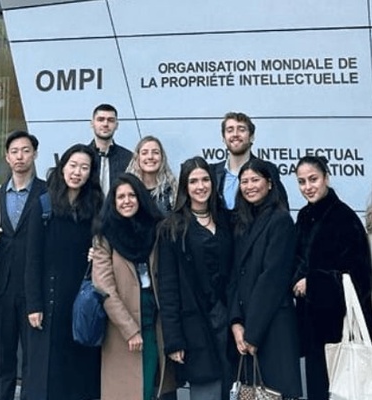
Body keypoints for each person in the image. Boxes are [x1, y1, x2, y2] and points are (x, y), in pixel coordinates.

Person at [25, 144, 103, 400]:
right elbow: (32, 258)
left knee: (80, 372)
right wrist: (34, 304)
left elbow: (104, 245)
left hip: (82, 302)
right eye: (73, 165)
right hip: (50, 301)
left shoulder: (96, 206)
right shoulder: (44, 205)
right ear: (62, 167)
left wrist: (97, 252)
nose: (77, 172)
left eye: (84, 167)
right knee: (49, 373)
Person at [292, 155, 372, 400]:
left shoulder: (344, 218)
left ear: (326, 178)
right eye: (302, 181)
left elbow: (360, 276)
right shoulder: (304, 216)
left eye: (313, 179)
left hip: (338, 328)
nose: (308, 187)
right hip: (313, 326)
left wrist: (313, 283)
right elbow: (298, 260)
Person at [92, 173, 175, 400]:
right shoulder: (104, 235)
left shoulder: (155, 230)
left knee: (152, 387)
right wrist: (130, 330)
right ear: (113, 202)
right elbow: (104, 288)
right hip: (122, 328)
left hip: (155, 322)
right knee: (129, 391)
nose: (127, 201)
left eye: (132, 195)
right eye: (121, 197)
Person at [158, 156, 233, 400]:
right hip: (195, 326)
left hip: (230, 323)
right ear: (185, 187)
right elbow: (168, 288)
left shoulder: (227, 221)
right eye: (193, 181)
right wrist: (174, 340)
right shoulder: (172, 227)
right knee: (206, 393)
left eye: (205, 179)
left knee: (233, 389)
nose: (200, 186)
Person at [228, 158, 302, 400]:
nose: (249, 186)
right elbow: (234, 276)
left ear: (269, 184)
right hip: (246, 328)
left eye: (255, 180)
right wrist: (236, 322)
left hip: (272, 327)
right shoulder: (241, 222)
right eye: (244, 181)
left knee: (275, 393)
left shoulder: (280, 221)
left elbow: (272, 279)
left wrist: (252, 334)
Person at [0, 130, 46, 400]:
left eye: (26, 150)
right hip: (1, 287)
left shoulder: (46, 193)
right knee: (2, 359)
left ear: (35, 154)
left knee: (32, 360)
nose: (20, 156)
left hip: (32, 290)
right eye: (14, 151)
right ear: (6, 156)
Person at [210, 111, 288, 210]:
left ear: (251, 137)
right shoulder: (212, 172)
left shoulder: (268, 169)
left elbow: (281, 210)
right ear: (223, 138)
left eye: (241, 130)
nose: (235, 134)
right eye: (230, 130)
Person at [88, 103, 132, 196]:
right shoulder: (82, 157)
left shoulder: (129, 158)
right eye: (100, 119)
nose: (105, 124)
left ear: (116, 125)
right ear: (92, 123)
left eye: (110, 120)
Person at [126, 135, 177, 215]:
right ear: (137, 158)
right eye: (144, 153)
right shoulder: (128, 190)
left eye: (155, 152)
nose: (150, 157)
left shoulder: (172, 191)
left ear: (162, 158)